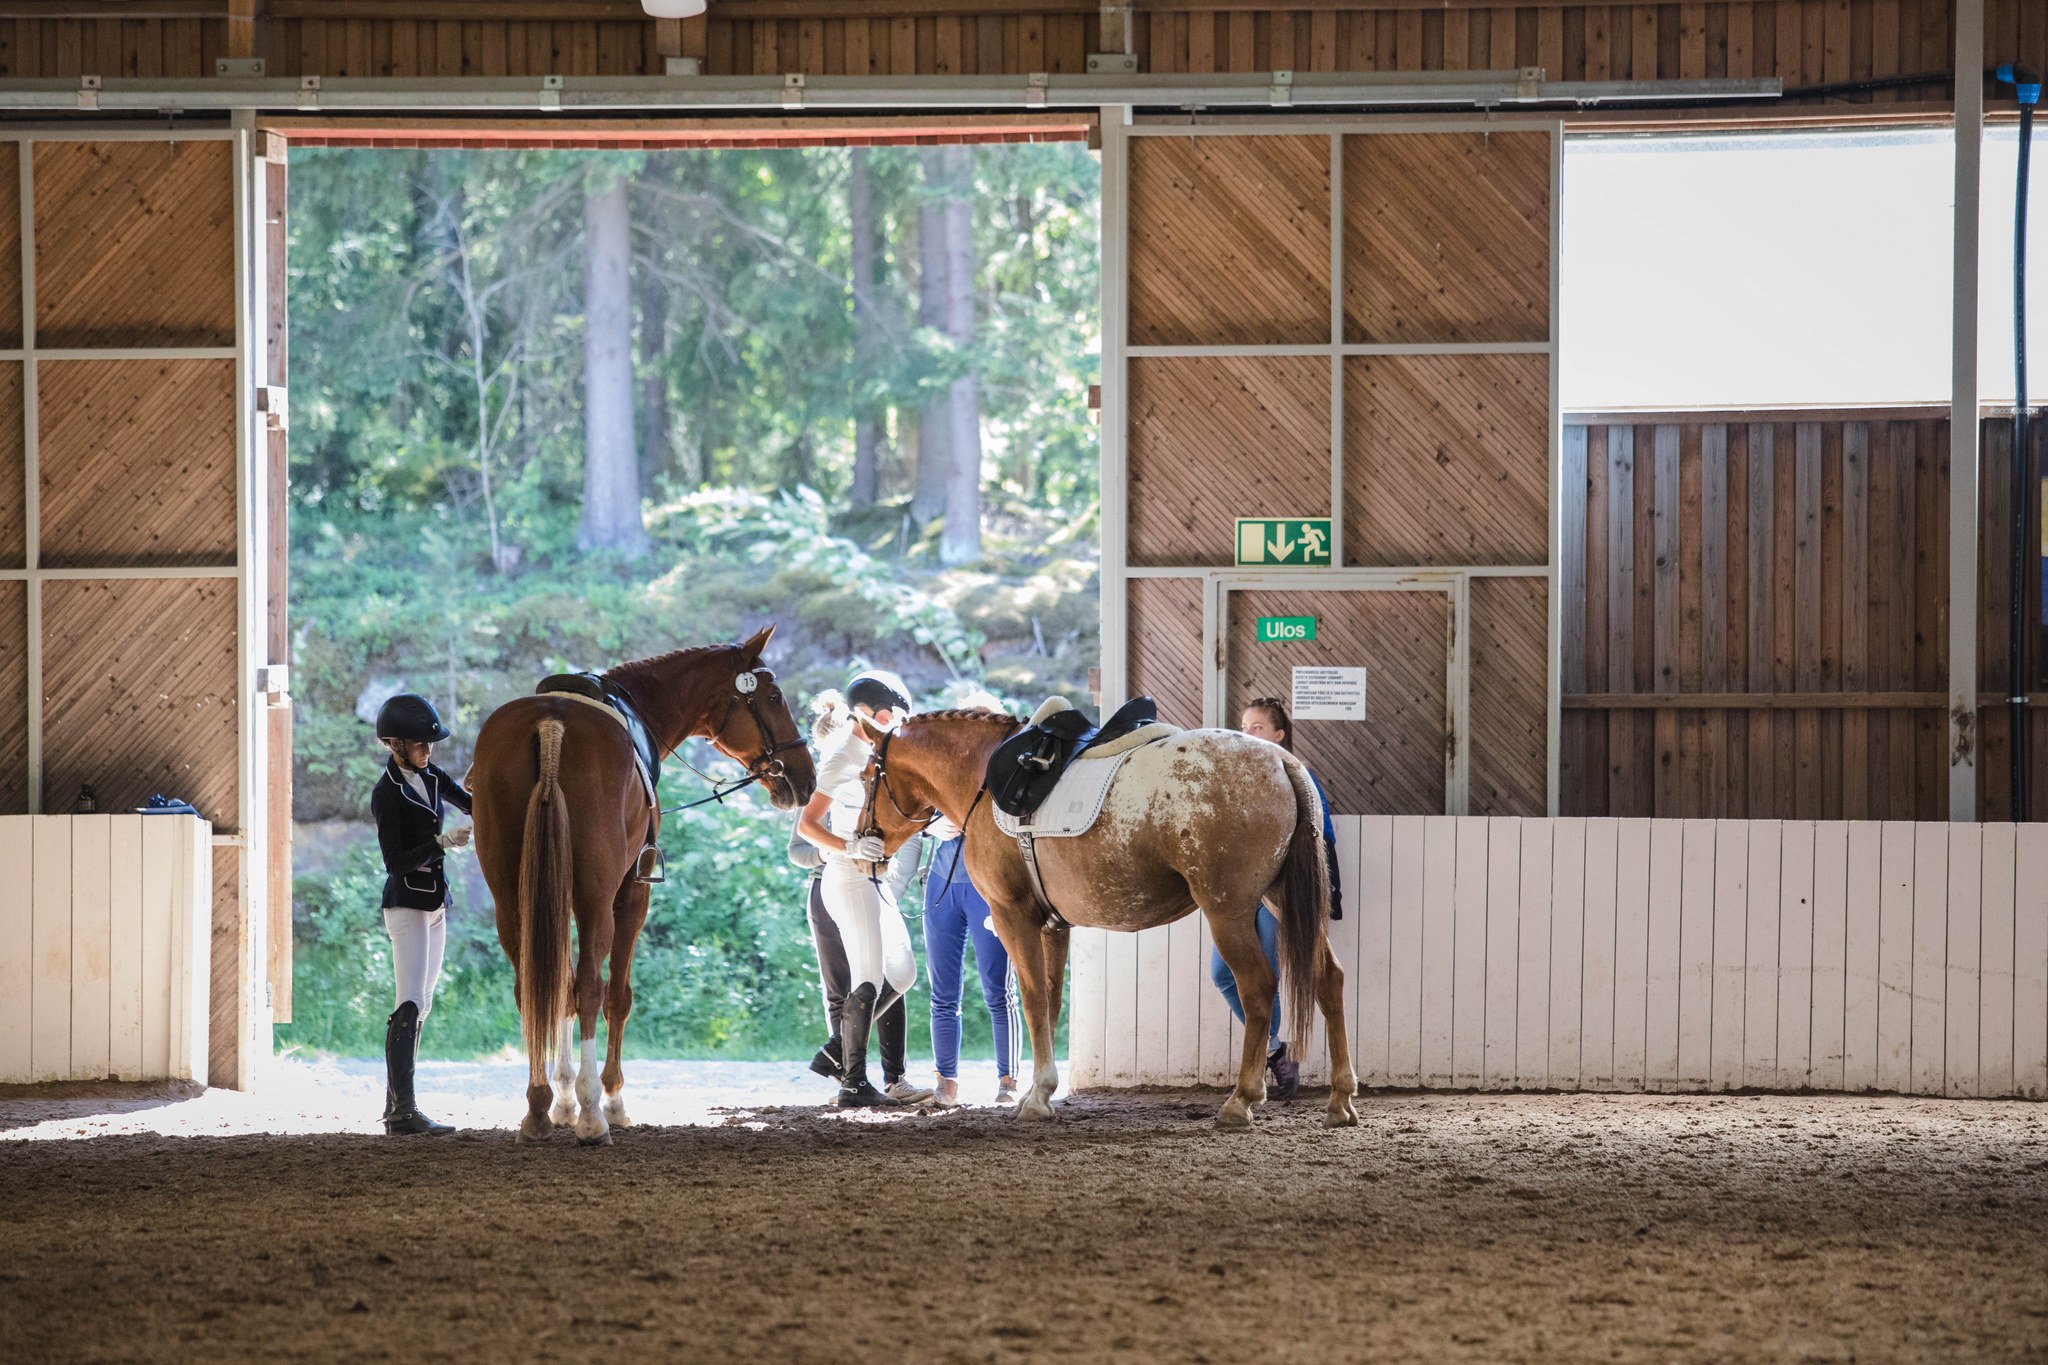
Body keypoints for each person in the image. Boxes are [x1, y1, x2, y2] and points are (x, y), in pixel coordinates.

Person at [795, 671, 926, 1108]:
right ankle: (853, 1083)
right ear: (866, 713)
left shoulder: (880, 752)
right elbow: (807, 826)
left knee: (903, 973)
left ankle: (838, 1048)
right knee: (867, 976)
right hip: (847, 875)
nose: (895, 722)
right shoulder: (842, 756)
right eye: (889, 714)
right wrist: (849, 844)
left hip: (877, 877)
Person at [1209, 696, 1344, 1102]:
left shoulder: (1297, 776)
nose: (1247, 734)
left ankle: (1274, 1057)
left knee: (1263, 976)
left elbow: (1322, 836)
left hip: (1278, 891)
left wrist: (1325, 892)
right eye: (1244, 727)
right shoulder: (1236, 778)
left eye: (1257, 728)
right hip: (1239, 892)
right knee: (1222, 975)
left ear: (1279, 734)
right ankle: (1274, 1048)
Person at [369, 693, 473, 1136]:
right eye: (420, 745)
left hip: (435, 902)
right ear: (396, 745)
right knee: (409, 1000)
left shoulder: (431, 777)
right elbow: (394, 862)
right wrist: (441, 844)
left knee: (424, 1003)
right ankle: (402, 1111)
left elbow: (468, 802)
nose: (428, 751)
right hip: (406, 903)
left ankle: (400, 1104)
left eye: (428, 745)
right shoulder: (385, 795)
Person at [787, 814, 931, 1104]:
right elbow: (797, 850)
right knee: (840, 988)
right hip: (827, 888)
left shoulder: (882, 784)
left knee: (892, 978)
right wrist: (825, 852)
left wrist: (893, 891)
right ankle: (849, 1078)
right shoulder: (821, 792)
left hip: (876, 887)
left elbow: (909, 839)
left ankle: (894, 1079)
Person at [920, 691, 1020, 1107]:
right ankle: (946, 1083)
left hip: (988, 885)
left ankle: (1009, 1082)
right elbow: (914, 811)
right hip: (943, 884)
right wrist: (930, 827)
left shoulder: (1006, 769)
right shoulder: (942, 768)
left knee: (1000, 989)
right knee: (943, 992)